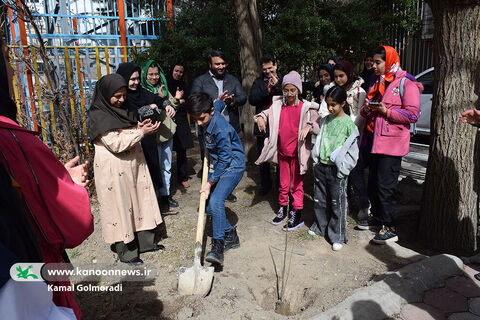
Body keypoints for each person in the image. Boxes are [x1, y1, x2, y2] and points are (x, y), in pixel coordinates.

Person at [88, 73, 164, 266]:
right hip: (114, 171)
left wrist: (139, 126)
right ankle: (127, 252)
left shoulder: (124, 108)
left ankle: (146, 243)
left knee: (140, 202)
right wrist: (141, 132)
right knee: (121, 207)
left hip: (133, 166)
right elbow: (114, 143)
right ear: (105, 94)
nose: (122, 100)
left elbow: (126, 128)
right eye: (117, 96)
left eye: (123, 95)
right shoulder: (99, 115)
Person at [356, 45, 420, 244]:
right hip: (373, 141)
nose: (373, 66)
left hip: (392, 145)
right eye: (372, 62)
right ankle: (378, 218)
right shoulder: (377, 81)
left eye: (377, 62)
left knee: (386, 185)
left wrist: (387, 112)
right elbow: (365, 113)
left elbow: (413, 114)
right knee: (374, 182)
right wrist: (367, 109)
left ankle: (390, 227)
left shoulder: (406, 82)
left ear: (390, 60)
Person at [254, 71, 319, 231]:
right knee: (283, 184)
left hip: (298, 155)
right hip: (282, 153)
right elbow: (263, 113)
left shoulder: (306, 107)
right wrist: (261, 118)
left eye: (293, 90)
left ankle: (297, 213)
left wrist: (308, 126)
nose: (289, 94)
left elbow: (317, 124)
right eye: (286, 90)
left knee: (297, 185)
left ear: (299, 90)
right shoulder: (277, 105)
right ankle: (283, 208)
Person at [185, 93, 245, 267]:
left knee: (216, 200)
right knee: (210, 206)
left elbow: (226, 159)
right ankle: (231, 235)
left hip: (232, 166)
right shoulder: (211, 109)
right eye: (194, 119)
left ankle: (218, 247)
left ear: (210, 112)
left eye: (202, 119)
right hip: (219, 163)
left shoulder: (220, 129)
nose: (198, 123)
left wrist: (210, 182)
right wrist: (221, 100)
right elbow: (218, 105)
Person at [116, 62, 176, 208]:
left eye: (137, 78)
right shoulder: (121, 96)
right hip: (131, 139)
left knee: (153, 168)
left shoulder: (142, 92)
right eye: (132, 79)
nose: (136, 82)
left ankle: (156, 201)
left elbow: (157, 99)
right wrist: (146, 109)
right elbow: (127, 115)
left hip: (148, 138)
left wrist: (166, 104)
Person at [191, 50, 246, 202]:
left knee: (227, 158)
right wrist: (214, 102)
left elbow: (243, 97)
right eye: (217, 64)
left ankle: (225, 190)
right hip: (208, 129)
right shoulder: (200, 81)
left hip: (229, 126)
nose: (221, 66)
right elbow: (194, 100)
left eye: (223, 63)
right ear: (210, 64)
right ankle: (212, 188)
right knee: (211, 160)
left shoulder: (233, 80)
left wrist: (232, 101)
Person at [309, 86, 359, 251]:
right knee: (320, 200)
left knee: (338, 203)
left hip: (336, 171)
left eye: (334, 105)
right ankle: (320, 226)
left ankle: (337, 235)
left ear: (343, 103)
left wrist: (343, 169)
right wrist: (316, 161)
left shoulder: (348, 124)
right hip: (321, 167)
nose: (330, 108)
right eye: (328, 104)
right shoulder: (325, 120)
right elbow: (319, 140)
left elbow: (353, 152)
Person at [332, 60, 369, 219]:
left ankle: (363, 206)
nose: (339, 79)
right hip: (338, 138)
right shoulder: (333, 90)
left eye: (341, 76)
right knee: (341, 174)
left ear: (349, 74)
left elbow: (361, 114)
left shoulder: (360, 91)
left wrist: (352, 131)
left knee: (356, 174)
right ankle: (344, 204)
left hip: (354, 138)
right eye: (336, 76)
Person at [141, 60, 180, 208]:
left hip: (166, 132)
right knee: (153, 166)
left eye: (156, 74)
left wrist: (174, 100)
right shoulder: (142, 91)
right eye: (150, 74)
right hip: (151, 135)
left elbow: (172, 105)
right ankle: (154, 197)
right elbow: (142, 114)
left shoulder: (163, 87)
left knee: (166, 165)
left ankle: (166, 194)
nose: (154, 77)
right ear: (145, 75)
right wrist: (157, 101)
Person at [248, 54, 283, 196]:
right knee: (263, 155)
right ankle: (265, 183)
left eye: (270, 68)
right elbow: (252, 100)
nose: (268, 72)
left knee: (282, 155)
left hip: (280, 123)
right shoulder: (258, 82)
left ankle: (281, 184)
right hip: (263, 124)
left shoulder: (284, 79)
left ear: (275, 65)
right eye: (265, 69)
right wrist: (267, 90)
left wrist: (278, 86)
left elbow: (292, 95)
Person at [166, 63, 194, 189]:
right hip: (166, 121)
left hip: (181, 120)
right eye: (176, 70)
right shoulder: (165, 84)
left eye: (181, 72)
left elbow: (188, 101)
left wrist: (180, 102)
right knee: (166, 151)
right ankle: (166, 179)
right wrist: (178, 101)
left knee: (181, 150)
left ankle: (182, 177)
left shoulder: (184, 85)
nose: (178, 73)